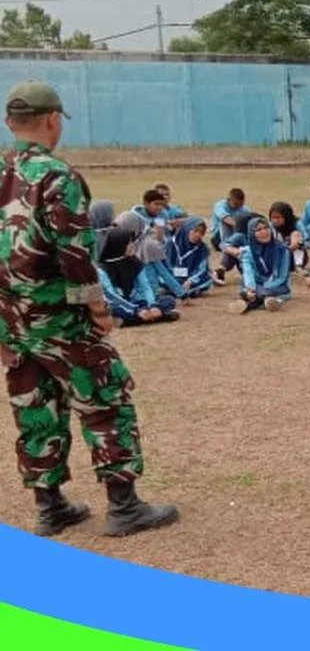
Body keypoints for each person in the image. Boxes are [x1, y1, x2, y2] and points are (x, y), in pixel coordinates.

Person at [0, 80, 178, 537]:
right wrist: (97, 308)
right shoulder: (58, 176)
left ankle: (50, 506)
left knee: (35, 406)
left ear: (9, 122)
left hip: (10, 319)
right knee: (105, 399)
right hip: (59, 315)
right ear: (53, 120)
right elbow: (74, 253)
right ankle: (124, 506)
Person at [97, 228, 181, 326]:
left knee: (168, 300)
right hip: (119, 304)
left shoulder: (134, 262)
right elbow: (111, 296)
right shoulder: (102, 269)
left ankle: (134, 320)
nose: (132, 246)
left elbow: (145, 287)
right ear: (119, 245)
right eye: (129, 243)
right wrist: (135, 310)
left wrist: (152, 306)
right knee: (111, 310)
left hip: (137, 302)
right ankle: (162, 316)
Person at [229, 217, 292, 313]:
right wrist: (251, 289)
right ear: (251, 233)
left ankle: (250, 303)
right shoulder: (248, 252)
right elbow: (248, 273)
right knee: (248, 286)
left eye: (266, 228)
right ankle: (267, 299)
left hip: (276, 284)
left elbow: (282, 277)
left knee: (280, 289)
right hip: (256, 284)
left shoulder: (283, 250)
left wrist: (266, 286)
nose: (264, 232)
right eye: (258, 230)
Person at [165, 217, 214, 297]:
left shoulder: (202, 248)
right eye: (195, 231)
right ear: (186, 229)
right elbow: (164, 265)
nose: (198, 235)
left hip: (189, 278)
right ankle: (181, 291)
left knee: (208, 278)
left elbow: (202, 268)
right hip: (171, 277)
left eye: (201, 233)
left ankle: (180, 291)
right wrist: (172, 280)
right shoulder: (171, 244)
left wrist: (191, 280)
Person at [269, 201, 306, 271]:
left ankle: (298, 266)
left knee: (296, 236)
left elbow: (306, 238)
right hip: (278, 253)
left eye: (278, 217)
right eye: (273, 217)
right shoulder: (270, 226)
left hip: (293, 255)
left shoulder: (297, 224)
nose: (275, 220)